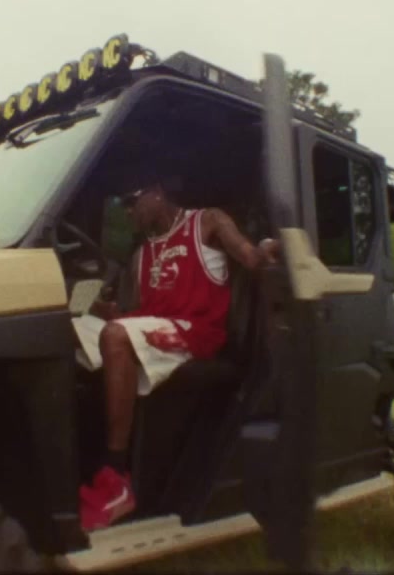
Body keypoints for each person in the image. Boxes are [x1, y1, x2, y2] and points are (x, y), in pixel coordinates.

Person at [71, 174, 280, 532]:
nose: (128, 211)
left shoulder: (207, 221)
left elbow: (249, 257)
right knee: (71, 329)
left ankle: (116, 476)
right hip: (153, 328)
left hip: (192, 332)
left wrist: (266, 250)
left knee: (115, 336)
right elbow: (138, 315)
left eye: (132, 201)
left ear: (156, 193)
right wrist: (108, 312)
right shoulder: (142, 254)